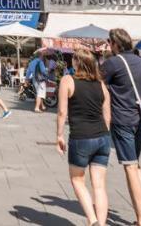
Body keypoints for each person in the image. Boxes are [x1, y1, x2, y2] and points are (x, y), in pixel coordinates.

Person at [99, 28, 141, 226]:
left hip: (123, 119)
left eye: (110, 42)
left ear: (116, 44)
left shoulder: (113, 63)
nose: (109, 45)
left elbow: (98, 86)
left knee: (130, 168)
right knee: (137, 165)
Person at [57, 48, 112, 226]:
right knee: (99, 185)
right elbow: (107, 116)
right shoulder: (101, 84)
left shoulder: (68, 80)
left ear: (77, 62)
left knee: (77, 179)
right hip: (102, 137)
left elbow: (62, 112)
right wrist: (104, 134)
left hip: (81, 137)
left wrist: (59, 135)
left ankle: (93, 220)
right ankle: (101, 224)